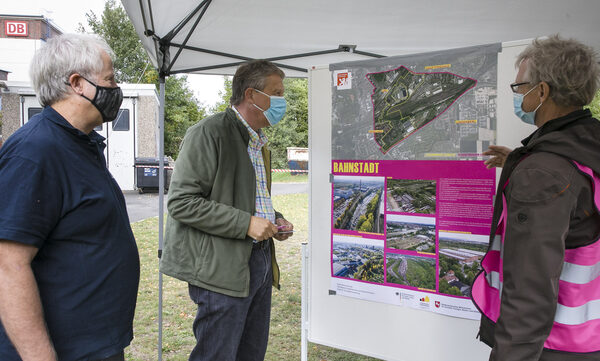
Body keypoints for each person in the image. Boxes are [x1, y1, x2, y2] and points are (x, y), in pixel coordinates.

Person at [0, 34, 140, 361]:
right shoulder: (36, 151)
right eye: (110, 79)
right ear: (77, 83)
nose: (116, 88)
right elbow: (8, 266)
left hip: (95, 345)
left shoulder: (81, 143)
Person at [471, 35, 600, 360]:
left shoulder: (544, 173)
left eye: (519, 88)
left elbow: (530, 288)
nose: (517, 96)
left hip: (550, 344)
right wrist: (521, 159)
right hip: (587, 336)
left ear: (541, 92)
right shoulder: (585, 147)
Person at [161, 59, 294, 361]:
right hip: (220, 270)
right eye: (276, 93)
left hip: (257, 260)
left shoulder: (256, 141)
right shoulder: (209, 133)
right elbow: (181, 202)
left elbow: (247, 196)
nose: (282, 101)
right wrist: (246, 223)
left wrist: (274, 218)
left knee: (250, 353)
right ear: (251, 96)